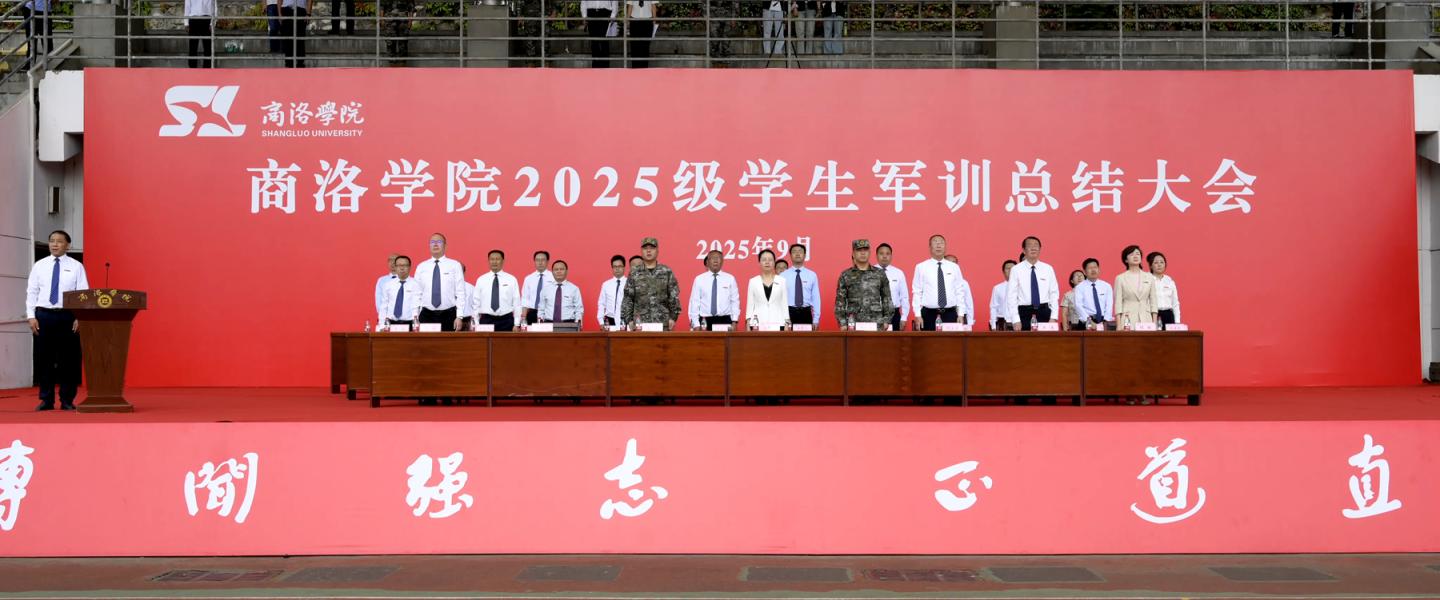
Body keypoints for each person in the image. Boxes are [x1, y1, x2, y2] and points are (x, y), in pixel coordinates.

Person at [27, 229, 88, 411]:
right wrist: (31, 316)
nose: (54, 244)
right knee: (44, 359)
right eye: (52, 240)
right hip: (44, 315)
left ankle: (67, 400)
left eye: (59, 241)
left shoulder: (76, 266)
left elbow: (82, 293)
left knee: (68, 360)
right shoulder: (39, 265)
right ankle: (46, 399)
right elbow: (32, 292)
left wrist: (80, 317)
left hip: (67, 316)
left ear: (67, 245)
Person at [621, 237, 682, 330]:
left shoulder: (666, 271)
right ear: (641, 251)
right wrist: (629, 320)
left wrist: (673, 318)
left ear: (657, 251)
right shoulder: (634, 273)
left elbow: (673, 296)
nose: (648, 251)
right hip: (639, 324)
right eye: (645, 248)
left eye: (652, 248)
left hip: (663, 323)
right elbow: (628, 298)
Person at [412, 233, 466, 331]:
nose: (435, 244)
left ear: (445, 245)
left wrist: (459, 316)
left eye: (439, 242)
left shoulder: (455, 265)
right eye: (432, 242)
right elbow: (416, 294)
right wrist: (415, 316)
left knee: (448, 341)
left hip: (449, 315)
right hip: (426, 315)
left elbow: (460, 292)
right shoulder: (421, 267)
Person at [834, 239, 893, 329]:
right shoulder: (846, 275)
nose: (863, 253)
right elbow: (840, 302)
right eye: (859, 250)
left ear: (869, 253)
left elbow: (887, 298)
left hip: (876, 323)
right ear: (853, 254)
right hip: (853, 324)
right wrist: (842, 323)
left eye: (865, 250)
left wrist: (886, 320)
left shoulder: (879, 274)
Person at [911, 234, 965, 331]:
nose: (938, 245)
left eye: (941, 243)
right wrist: (917, 315)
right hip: (928, 314)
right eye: (935, 242)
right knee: (928, 340)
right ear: (930, 247)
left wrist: (961, 314)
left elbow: (959, 291)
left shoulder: (954, 267)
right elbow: (917, 292)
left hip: (950, 314)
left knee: (950, 340)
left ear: (945, 247)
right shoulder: (921, 267)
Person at [1006, 236, 1059, 331]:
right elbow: (1011, 296)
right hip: (1023, 313)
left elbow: (1054, 294)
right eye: (1030, 245)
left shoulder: (1048, 269)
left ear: (1040, 249)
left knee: (1045, 340)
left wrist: (1053, 317)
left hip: (1044, 312)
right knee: (1025, 340)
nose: (1033, 248)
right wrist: (1015, 319)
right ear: (1024, 250)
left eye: (1036, 245)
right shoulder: (1016, 270)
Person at [688, 250, 740, 330]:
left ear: (722, 261)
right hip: (704, 320)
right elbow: (694, 302)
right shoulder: (699, 279)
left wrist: (734, 321)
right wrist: (696, 324)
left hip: (725, 320)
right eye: (713, 258)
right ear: (707, 262)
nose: (715, 260)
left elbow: (735, 302)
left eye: (718, 258)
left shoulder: (730, 279)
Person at [473, 249, 521, 331]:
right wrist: (476, 323)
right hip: (486, 320)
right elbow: (476, 303)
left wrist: (517, 324)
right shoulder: (481, 280)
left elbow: (517, 303)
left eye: (497, 259)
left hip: (506, 320)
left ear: (503, 261)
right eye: (492, 259)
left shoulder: (511, 279)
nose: (494, 262)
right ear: (488, 261)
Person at [1114, 244, 1157, 330]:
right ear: (1126, 260)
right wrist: (1118, 325)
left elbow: (1153, 301)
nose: (1135, 256)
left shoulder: (1149, 277)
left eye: (1138, 254)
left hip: (1146, 319)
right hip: (1128, 319)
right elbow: (1118, 303)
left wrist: (1154, 323)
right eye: (1131, 254)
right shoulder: (1120, 278)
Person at [746, 249, 790, 327]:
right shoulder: (753, 281)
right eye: (764, 260)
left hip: (778, 321)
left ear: (774, 263)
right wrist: (748, 322)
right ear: (759, 263)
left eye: (770, 260)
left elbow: (784, 303)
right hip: (758, 322)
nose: (767, 262)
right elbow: (750, 304)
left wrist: (787, 322)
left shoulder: (782, 281)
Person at [379, 255, 421, 328]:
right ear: (395, 267)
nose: (402, 268)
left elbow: (417, 307)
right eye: (399, 265)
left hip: (410, 324)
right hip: (390, 323)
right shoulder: (388, 285)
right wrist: (381, 325)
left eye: (405, 265)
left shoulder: (416, 285)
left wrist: (416, 325)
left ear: (409, 267)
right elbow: (384, 306)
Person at [786, 244, 822, 327]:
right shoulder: (783, 276)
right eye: (794, 251)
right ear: (790, 255)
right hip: (788, 313)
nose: (797, 254)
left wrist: (816, 319)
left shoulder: (812, 275)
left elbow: (816, 298)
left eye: (800, 251)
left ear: (805, 255)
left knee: (807, 336)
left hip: (806, 313)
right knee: (788, 336)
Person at [875, 243, 909, 331]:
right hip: (874, 314)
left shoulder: (898, 273)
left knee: (894, 339)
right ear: (876, 255)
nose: (884, 256)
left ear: (891, 256)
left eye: (887, 254)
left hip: (894, 314)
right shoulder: (869, 272)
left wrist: (904, 317)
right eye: (881, 253)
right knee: (874, 339)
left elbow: (904, 297)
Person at [538, 260, 584, 324]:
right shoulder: (545, 289)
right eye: (556, 269)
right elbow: (541, 309)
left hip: (568, 324)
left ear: (566, 271)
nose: (559, 271)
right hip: (548, 324)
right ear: (552, 272)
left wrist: (578, 325)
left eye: (561, 269)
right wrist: (540, 324)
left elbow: (579, 309)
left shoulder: (574, 289)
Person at [1074, 258, 1115, 330]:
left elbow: (1109, 305)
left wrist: (1105, 321)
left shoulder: (1106, 286)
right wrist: (1089, 321)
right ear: (1084, 272)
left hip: (1103, 321)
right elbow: (1078, 305)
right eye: (1090, 268)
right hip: (1086, 321)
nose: (1093, 270)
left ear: (1099, 270)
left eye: (1095, 267)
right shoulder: (1079, 287)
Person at [519, 250, 555, 326]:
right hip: (532, 313)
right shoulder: (529, 278)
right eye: (537, 260)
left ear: (547, 261)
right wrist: (523, 318)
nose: (540, 262)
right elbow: (525, 299)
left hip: (548, 313)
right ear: (534, 261)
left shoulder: (554, 277)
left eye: (543, 260)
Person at [1149, 251, 1181, 329]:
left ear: (1165, 265)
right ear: (1151, 266)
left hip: (1168, 315)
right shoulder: (1147, 280)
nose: (1159, 265)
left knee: (1169, 337)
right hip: (1153, 315)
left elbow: (1175, 303)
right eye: (1156, 262)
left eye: (1162, 262)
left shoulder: (1170, 281)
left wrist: (1177, 321)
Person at [581, 0, 617, 67]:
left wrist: (613, 16)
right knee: (594, 43)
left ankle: (605, 67)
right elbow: (584, 2)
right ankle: (595, 67)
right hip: (591, 13)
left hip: (605, 13)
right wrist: (584, 16)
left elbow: (614, 1)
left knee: (604, 42)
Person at [597, 254, 628, 328]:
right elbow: (601, 303)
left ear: (624, 267)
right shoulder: (606, 284)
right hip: (609, 320)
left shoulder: (629, 283)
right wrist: (601, 321)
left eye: (620, 266)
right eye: (615, 267)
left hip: (625, 319)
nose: (617, 269)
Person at [624, 0, 656, 67]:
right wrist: (627, 21)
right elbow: (630, 6)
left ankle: (644, 68)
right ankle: (635, 67)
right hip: (634, 21)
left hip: (647, 21)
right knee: (634, 46)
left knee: (645, 46)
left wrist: (654, 21)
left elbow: (653, 6)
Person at [186, 0, 216, 68]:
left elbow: (214, 6)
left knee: (208, 46)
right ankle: (192, 68)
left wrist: (212, 23)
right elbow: (187, 6)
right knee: (192, 46)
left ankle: (207, 68)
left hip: (206, 18)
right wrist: (186, 22)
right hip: (193, 18)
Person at [380, 0, 412, 65]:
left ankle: (402, 64)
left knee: (403, 44)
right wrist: (382, 20)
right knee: (390, 43)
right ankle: (392, 64)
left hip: (403, 21)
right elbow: (382, 7)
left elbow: (410, 8)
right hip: (389, 21)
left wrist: (410, 21)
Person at [280, 0, 309, 67]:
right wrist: (279, 14)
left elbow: (310, 1)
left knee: (300, 38)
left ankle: (300, 63)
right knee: (288, 38)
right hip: (287, 10)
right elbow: (279, 1)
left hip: (301, 10)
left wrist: (308, 13)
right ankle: (289, 63)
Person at [373, 253, 400, 324]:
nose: (392, 262)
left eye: (395, 260)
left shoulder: (408, 280)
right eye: (390, 260)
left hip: (404, 319)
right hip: (385, 318)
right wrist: (383, 317)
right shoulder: (382, 281)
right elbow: (379, 301)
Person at [989, 259, 1015, 331]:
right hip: (1002, 322)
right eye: (1008, 268)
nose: (1010, 270)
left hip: (1018, 322)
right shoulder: (997, 288)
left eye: (1012, 268)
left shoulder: (1022, 287)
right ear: (1003, 271)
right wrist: (993, 326)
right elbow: (993, 307)